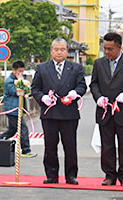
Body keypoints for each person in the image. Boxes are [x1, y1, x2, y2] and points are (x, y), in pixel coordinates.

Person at [31, 38, 87, 185]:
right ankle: (51, 175)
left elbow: (82, 86)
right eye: (56, 49)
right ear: (51, 51)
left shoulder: (76, 68)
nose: (59, 52)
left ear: (67, 51)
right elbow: (35, 89)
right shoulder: (42, 68)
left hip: (69, 113)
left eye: (62, 49)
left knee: (70, 145)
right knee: (50, 145)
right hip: (49, 113)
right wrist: (43, 98)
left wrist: (75, 93)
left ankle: (71, 175)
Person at [89, 32, 123, 187]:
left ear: (119, 47)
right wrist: (98, 97)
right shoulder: (99, 63)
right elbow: (94, 84)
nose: (106, 52)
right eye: (104, 48)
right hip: (105, 111)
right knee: (107, 145)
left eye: (110, 49)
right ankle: (109, 175)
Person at [0, 61, 37, 158]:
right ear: (13, 70)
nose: (21, 74)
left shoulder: (19, 79)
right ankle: (26, 150)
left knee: (12, 131)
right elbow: (17, 92)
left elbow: (27, 91)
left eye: (22, 71)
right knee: (23, 129)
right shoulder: (9, 81)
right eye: (19, 71)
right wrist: (21, 82)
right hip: (12, 109)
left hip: (18, 108)